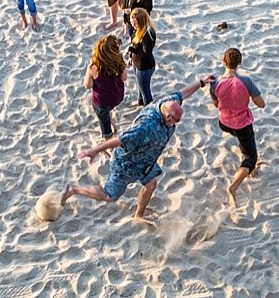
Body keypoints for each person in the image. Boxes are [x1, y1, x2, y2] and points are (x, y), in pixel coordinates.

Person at [61, 75, 216, 223]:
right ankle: (74, 189)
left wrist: (201, 82)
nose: (176, 124)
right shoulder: (146, 127)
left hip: (146, 162)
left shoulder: (169, 103)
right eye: (176, 121)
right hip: (126, 165)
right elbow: (120, 140)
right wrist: (94, 150)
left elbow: (183, 93)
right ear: (168, 117)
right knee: (110, 196)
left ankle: (139, 215)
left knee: (151, 184)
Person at [208, 48, 266, 208]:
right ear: (239, 63)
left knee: (244, 142)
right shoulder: (246, 81)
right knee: (251, 158)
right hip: (242, 124)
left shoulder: (215, 83)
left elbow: (216, 104)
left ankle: (250, 167)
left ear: (223, 61)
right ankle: (233, 187)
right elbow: (261, 104)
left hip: (224, 123)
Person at [84, 34, 127, 140]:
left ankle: (109, 141)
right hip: (116, 97)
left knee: (104, 123)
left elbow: (87, 85)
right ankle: (111, 121)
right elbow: (124, 78)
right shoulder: (120, 63)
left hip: (101, 102)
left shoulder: (94, 68)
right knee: (108, 109)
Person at [127, 8, 156, 106]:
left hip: (144, 67)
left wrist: (132, 50)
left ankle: (149, 110)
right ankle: (140, 101)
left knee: (146, 92)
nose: (133, 25)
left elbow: (146, 53)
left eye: (135, 23)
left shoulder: (147, 34)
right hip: (137, 64)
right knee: (141, 86)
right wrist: (131, 57)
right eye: (132, 23)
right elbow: (135, 44)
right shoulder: (137, 29)